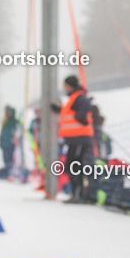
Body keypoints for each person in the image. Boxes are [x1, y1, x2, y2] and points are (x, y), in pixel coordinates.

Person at [52, 75, 94, 203]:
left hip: (79, 138)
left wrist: (79, 117)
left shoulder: (79, 96)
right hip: (74, 139)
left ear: (69, 85)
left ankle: (78, 195)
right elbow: (70, 112)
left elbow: (84, 110)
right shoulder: (74, 97)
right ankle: (77, 194)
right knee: (73, 165)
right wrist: (58, 110)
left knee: (74, 165)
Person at [0, 106, 20, 178]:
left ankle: (11, 173)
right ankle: (7, 173)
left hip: (11, 145)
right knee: (6, 158)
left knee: (11, 159)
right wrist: (1, 142)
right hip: (5, 145)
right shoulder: (5, 121)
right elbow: (2, 133)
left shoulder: (15, 122)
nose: (8, 114)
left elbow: (18, 133)